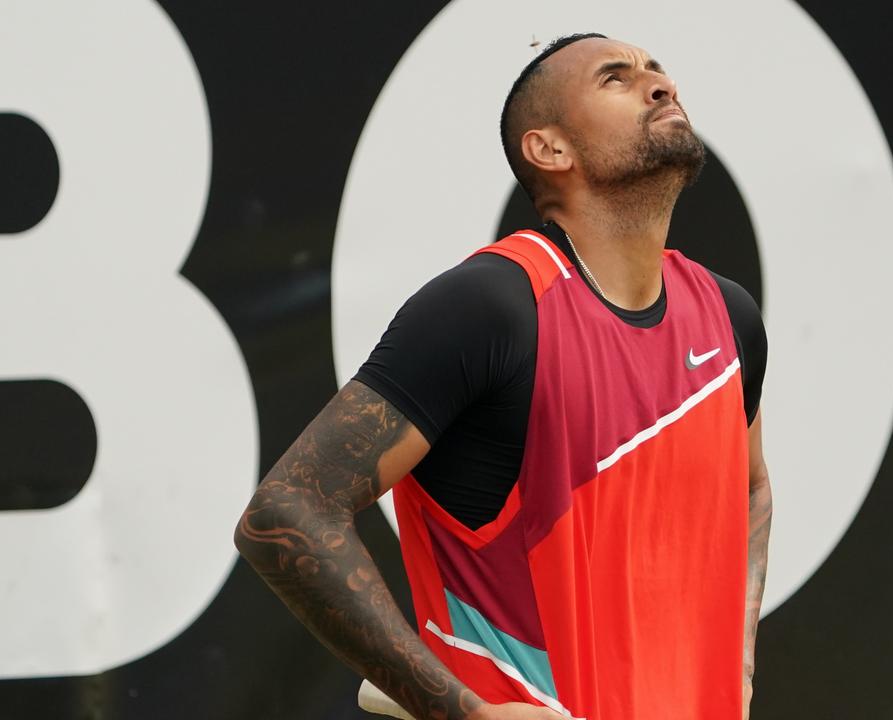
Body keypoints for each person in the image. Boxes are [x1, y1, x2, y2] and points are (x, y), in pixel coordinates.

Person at [234, 32, 771, 720]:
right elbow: (285, 512)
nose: (660, 85)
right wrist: (463, 711)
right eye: (617, 78)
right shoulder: (490, 308)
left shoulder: (729, 316)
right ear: (551, 149)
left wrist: (738, 657)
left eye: (658, 70)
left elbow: (751, 488)